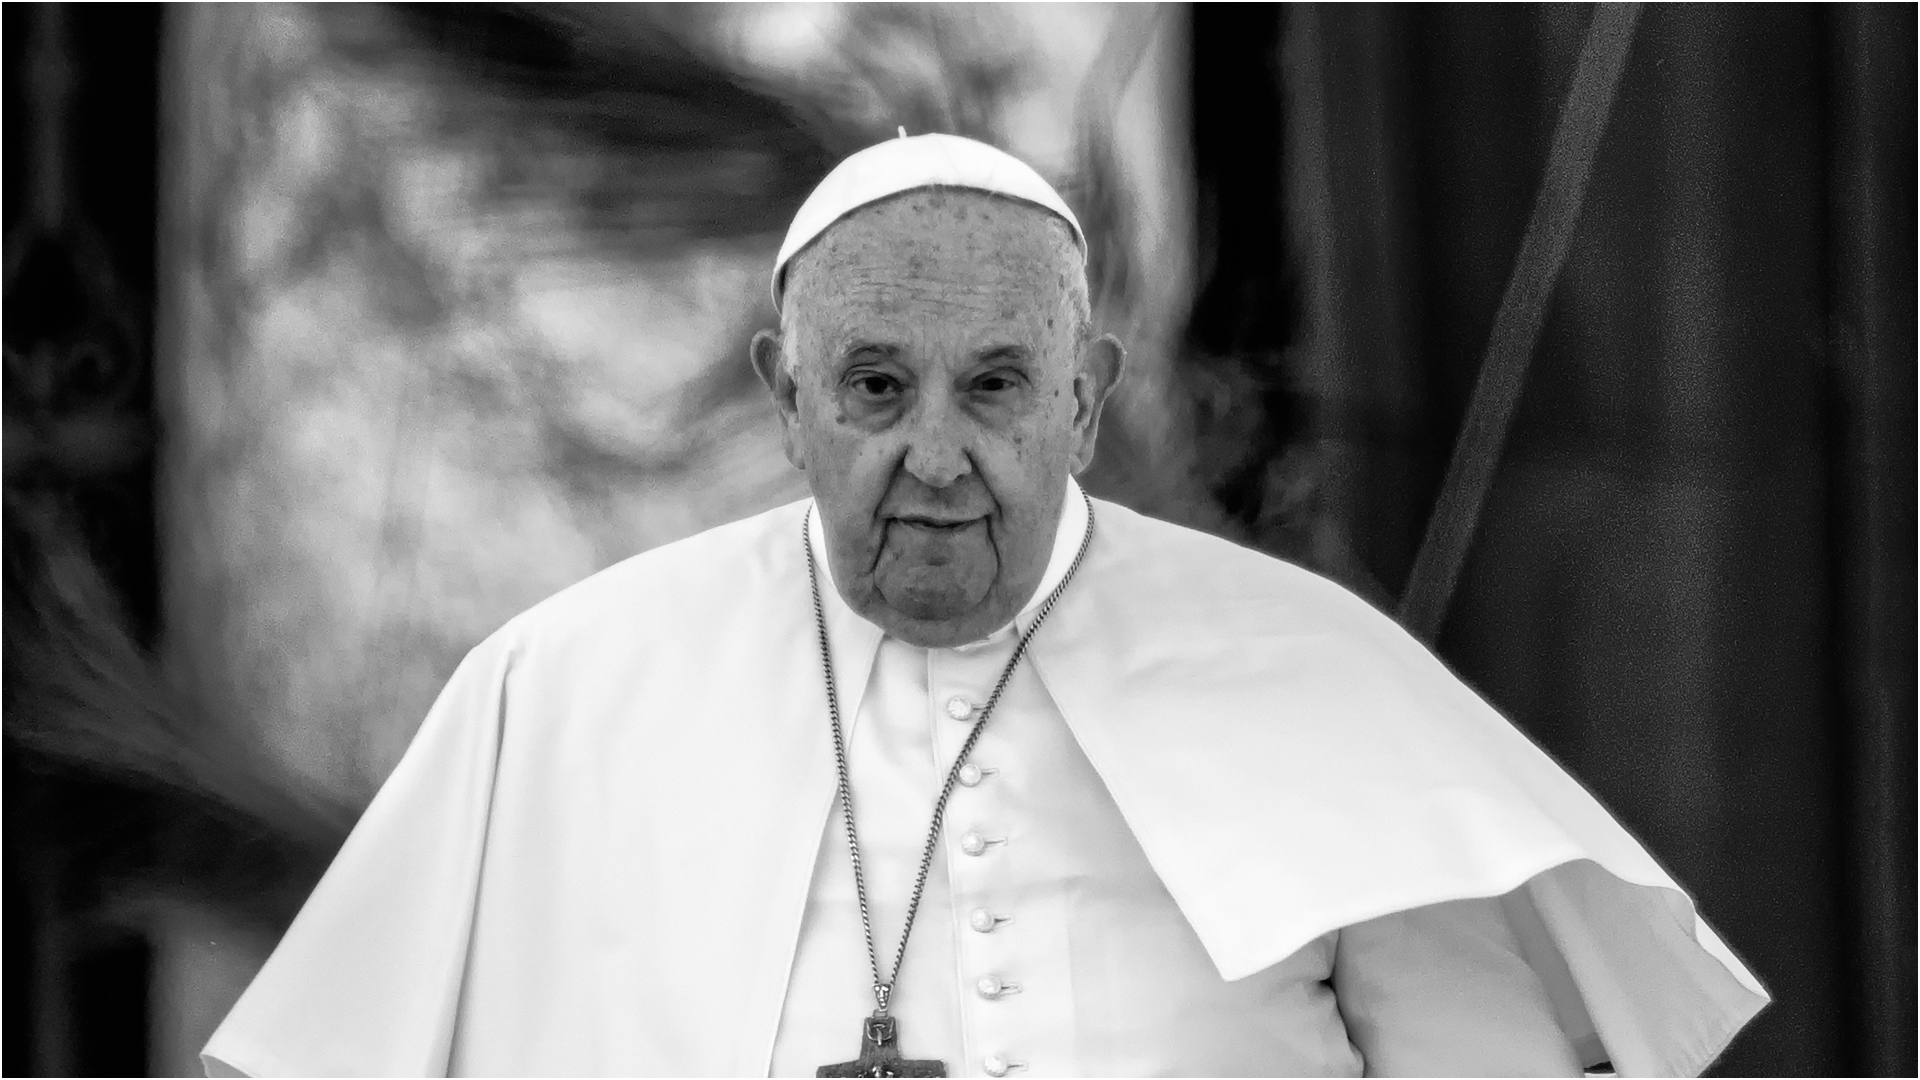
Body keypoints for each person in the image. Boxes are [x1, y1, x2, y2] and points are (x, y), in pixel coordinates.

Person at [203, 133, 1767, 1078]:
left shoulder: (1312, 680)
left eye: (999, 386)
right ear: (786, 397)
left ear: (1085, 399)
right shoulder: (561, 690)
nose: (938, 455)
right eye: (877, 387)